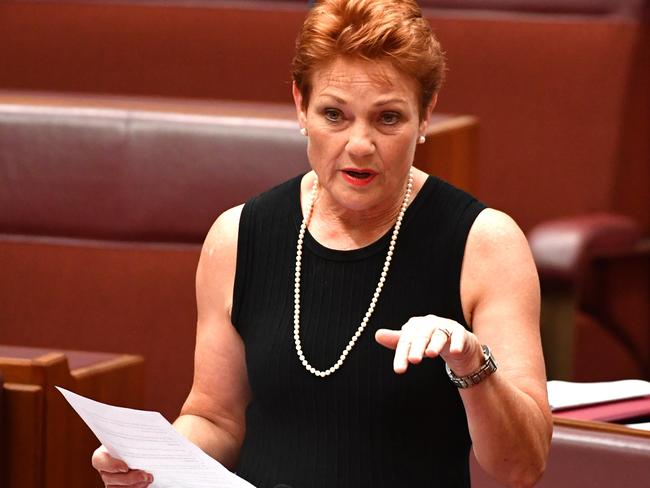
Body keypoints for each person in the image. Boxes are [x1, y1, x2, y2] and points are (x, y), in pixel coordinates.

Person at [92, 0, 552, 486]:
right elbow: (216, 419)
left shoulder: (485, 244)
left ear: (425, 116)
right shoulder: (237, 236)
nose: (359, 144)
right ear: (300, 107)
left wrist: (472, 364)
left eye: (388, 118)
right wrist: (150, 463)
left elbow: (522, 467)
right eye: (334, 114)